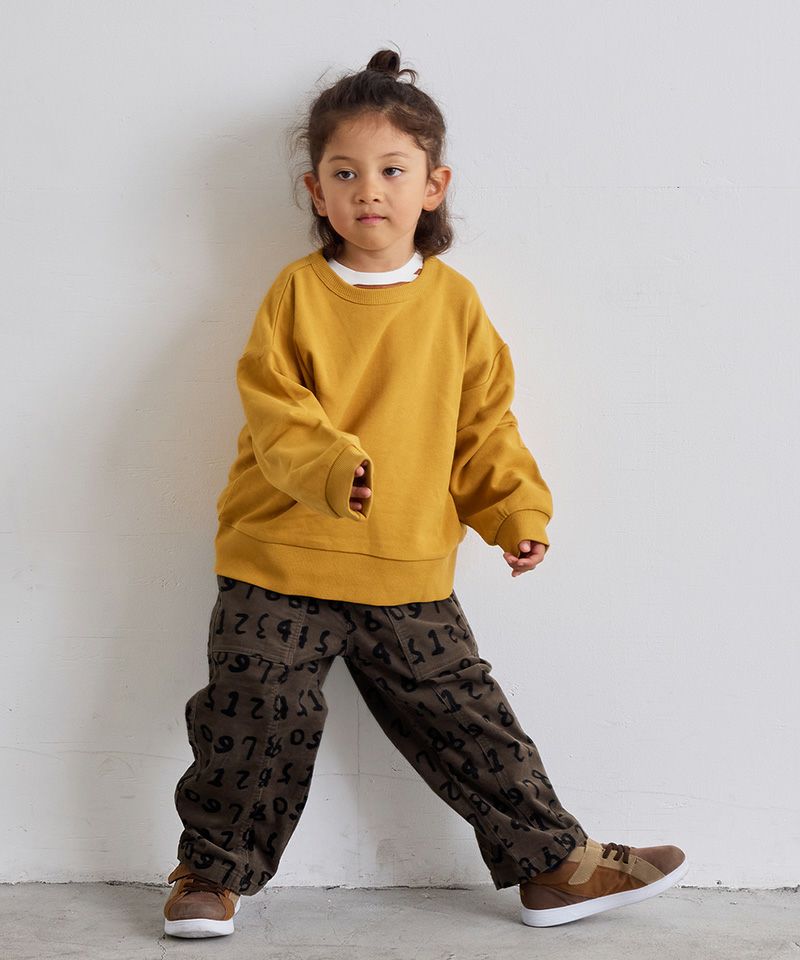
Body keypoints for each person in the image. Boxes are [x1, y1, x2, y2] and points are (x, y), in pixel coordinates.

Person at [163, 47, 688, 939]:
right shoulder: (295, 294)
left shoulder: (455, 306)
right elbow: (277, 412)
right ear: (315, 192)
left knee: (469, 721)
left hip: (405, 567)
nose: (369, 190)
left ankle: (553, 867)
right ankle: (210, 876)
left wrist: (514, 512)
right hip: (278, 562)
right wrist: (335, 465)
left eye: (392, 170)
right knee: (252, 723)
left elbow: (484, 425)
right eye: (344, 173)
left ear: (434, 185)